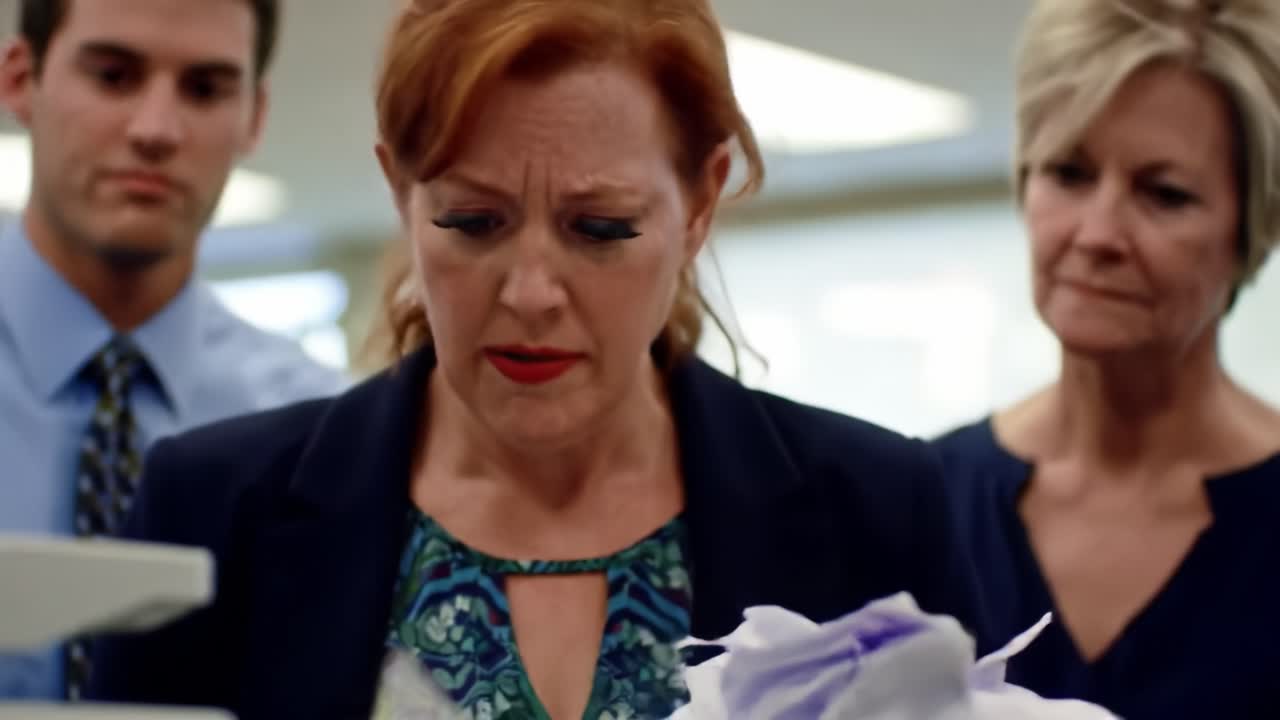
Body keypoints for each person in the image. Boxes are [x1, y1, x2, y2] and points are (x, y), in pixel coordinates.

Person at [86, 0, 989, 717]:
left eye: (600, 229)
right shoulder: (214, 513)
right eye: (471, 222)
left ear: (700, 205)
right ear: (401, 193)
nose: (529, 293)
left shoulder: (875, 510)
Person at [934, 0, 1280, 717]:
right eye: (1069, 173)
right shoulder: (923, 501)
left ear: (1253, 228)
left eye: (1164, 194)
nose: (1097, 234)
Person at [0, 0, 348, 701]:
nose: (156, 129)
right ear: (19, 80)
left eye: (205, 88)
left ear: (253, 116)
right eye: (113, 76)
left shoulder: (324, 437)